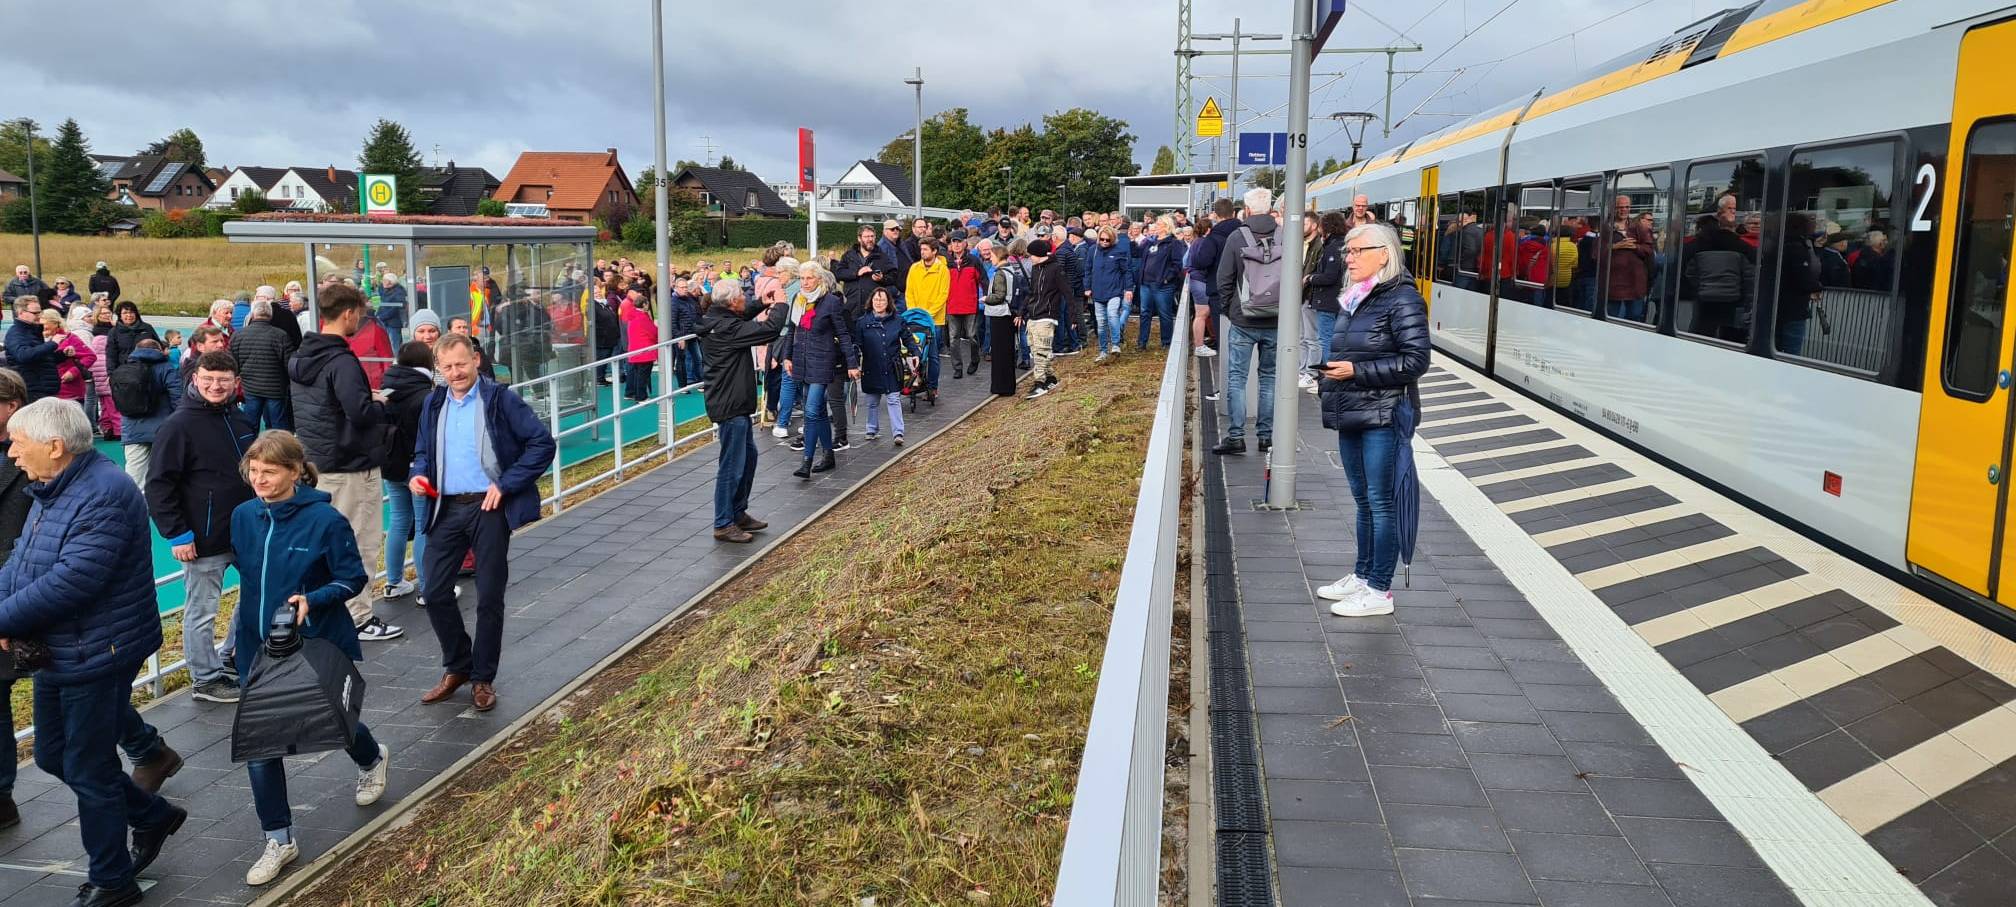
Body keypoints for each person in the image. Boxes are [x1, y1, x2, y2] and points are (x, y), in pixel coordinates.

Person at [0, 397, 187, 907]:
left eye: (18, 442)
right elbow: (24, 560)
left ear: (54, 446)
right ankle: (152, 816)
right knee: (54, 755)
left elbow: (73, 581)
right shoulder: (55, 486)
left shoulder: (103, 493)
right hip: (63, 649)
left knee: (87, 766)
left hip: (98, 650)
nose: (12, 453)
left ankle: (113, 880)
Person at [229, 430, 390, 887]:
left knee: (333, 725)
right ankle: (279, 838)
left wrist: (311, 600)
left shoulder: (325, 520)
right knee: (260, 745)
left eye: (270, 472)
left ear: (296, 471)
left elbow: (352, 578)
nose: (259, 479)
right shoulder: (243, 516)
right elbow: (249, 574)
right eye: (253, 471)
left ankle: (371, 758)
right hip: (256, 649)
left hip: (314, 643)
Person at [410, 332, 556, 713]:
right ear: (438, 369)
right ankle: (458, 665)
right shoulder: (433, 402)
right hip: (445, 508)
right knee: (435, 590)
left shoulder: (500, 399)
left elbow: (542, 444)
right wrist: (419, 472)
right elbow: (424, 450)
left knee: (489, 595)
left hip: (488, 509)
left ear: (475, 359)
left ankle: (482, 678)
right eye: (447, 368)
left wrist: (506, 485)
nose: (455, 373)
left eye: (461, 364)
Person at [1314, 224, 1430, 618]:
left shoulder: (1402, 299)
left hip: (1383, 413)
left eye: (1357, 251)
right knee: (1364, 500)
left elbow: (1416, 361)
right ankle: (1363, 576)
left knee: (1382, 503)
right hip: (1353, 409)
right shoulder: (1356, 297)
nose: (1349, 258)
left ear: (1384, 253)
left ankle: (1380, 589)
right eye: (1348, 252)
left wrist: (1356, 372)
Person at [288, 284, 403, 642]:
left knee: (325, 545)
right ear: (349, 313)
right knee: (360, 542)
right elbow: (360, 412)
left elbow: (327, 403)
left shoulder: (302, 356)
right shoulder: (341, 359)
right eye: (361, 313)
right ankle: (358, 617)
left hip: (318, 462)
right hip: (351, 464)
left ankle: (328, 612)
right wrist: (381, 404)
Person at [144, 349, 257, 704]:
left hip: (243, 531)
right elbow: (159, 485)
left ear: (235, 383)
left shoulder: (241, 421)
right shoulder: (178, 426)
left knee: (256, 593)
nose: (215, 386)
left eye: (222, 380)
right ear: (195, 380)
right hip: (202, 537)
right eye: (208, 379)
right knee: (202, 611)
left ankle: (231, 657)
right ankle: (205, 679)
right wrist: (176, 533)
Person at [695, 282, 778, 543]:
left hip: (734, 403)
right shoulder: (726, 329)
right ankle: (723, 521)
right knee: (732, 465)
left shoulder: (719, 319)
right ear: (731, 302)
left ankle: (737, 512)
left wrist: (762, 303)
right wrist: (782, 305)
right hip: (729, 406)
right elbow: (770, 329)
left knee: (748, 458)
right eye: (743, 296)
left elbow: (740, 316)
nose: (745, 298)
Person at [1213, 188, 1282, 455]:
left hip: (1243, 319)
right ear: (1270, 207)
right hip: (1276, 319)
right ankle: (1265, 437)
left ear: (1248, 208)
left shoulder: (1236, 236)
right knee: (1268, 379)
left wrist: (1231, 310)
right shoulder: (1284, 235)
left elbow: (1224, 279)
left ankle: (1236, 436)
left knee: (1237, 379)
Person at [784, 265, 858, 478]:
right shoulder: (798, 299)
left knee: (811, 410)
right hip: (802, 360)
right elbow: (792, 329)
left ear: (819, 280)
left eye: (809, 278)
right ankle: (828, 453)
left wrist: (852, 363)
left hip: (823, 361)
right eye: (802, 278)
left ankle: (806, 461)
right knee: (816, 412)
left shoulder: (831, 302)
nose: (805, 282)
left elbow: (843, 334)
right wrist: (787, 356)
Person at [381, 341, 436, 600]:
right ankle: (428, 588)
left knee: (399, 521)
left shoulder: (387, 388)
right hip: (419, 469)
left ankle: (393, 582)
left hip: (392, 464)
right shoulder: (425, 395)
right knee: (424, 525)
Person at [857, 288, 923, 445]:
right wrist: (854, 362)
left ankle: (898, 432)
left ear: (888, 303)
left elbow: (908, 339)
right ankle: (871, 428)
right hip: (871, 366)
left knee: (893, 398)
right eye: (876, 300)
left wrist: (915, 353)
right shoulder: (862, 322)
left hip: (892, 366)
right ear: (871, 302)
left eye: (882, 301)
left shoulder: (898, 320)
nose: (879, 303)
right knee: (872, 400)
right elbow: (857, 344)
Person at [232, 298, 295, 432]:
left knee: (250, 424)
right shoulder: (280, 335)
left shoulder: (238, 335)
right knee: (278, 424)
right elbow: (289, 363)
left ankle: (249, 450)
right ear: (270, 315)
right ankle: (281, 451)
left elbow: (233, 363)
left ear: (253, 315)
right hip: (276, 389)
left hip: (250, 387)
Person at [1302, 211, 1348, 392]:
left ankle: (1328, 379)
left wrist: (1310, 279)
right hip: (1338, 301)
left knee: (1325, 340)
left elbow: (1329, 276)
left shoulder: (1332, 248)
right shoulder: (1343, 245)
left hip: (1327, 302)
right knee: (1335, 341)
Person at [1191, 199, 1240, 359]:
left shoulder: (1213, 237)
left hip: (1218, 287)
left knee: (1222, 328)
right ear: (1233, 213)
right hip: (1241, 288)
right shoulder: (1244, 232)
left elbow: (1201, 261)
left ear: (1216, 215)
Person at [980, 239, 1026, 397]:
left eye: (992, 256)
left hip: (1000, 315)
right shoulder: (1011, 270)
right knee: (1008, 352)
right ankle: (1008, 385)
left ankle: (1000, 386)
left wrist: (986, 299)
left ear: (998, 256)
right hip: (1010, 314)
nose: (990, 258)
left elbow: (999, 295)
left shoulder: (1000, 273)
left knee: (999, 353)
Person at [1023, 238, 1067, 399]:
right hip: (1034, 314)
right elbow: (1032, 292)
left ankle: (1039, 383)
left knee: (1042, 350)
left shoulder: (1055, 269)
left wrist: (1073, 317)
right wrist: (1023, 311)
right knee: (1035, 349)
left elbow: (1067, 292)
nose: (1030, 258)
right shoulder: (1035, 269)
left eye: (1032, 255)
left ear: (1039, 254)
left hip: (1047, 315)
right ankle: (1050, 377)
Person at [1776, 212, 1824, 356]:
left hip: (1778, 306)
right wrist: (1816, 287)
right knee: (1792, 351)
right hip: (1794, 308)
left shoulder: (1779, 245)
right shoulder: (1798, 248)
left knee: (1777, 347)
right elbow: (1802, 277)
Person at [905, 238, 949, 395]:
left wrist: (928, 314)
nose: (922, 252)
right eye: (921, 249)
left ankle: (932, 387)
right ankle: (915, 381)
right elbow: (909, 292)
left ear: (934, 251)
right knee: (914, 351)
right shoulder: (914, 268)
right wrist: (913, 311)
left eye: (925, 249)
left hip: (934, 320)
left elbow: (943, 295)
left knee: (932, 355)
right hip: (915, 319)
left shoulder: (942, 270)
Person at [1085, 226, 1134, 362]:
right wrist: (1087, 287)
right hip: (1097, 292)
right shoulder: (1092, 251)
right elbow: (1088, 270)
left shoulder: (1120, 251)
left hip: (1114, 291)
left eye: (1108, 239)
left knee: (1112, 315)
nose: (1105, 241)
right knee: (1101, 323)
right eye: (1102, 239)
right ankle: (1103, 350)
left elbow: (1126, 271)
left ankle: (1116, 344)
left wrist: (1128, 289)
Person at [1136, 215, 1184, 351]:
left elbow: (1177, 265)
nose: (1155, 226)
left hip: (1162, 285)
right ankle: (1142, 341)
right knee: (1145, 312)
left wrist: (1166, 278)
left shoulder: (1173, 243)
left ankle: (1166, 342)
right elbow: (1137, 252)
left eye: (1158, 224)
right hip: (1146, 283)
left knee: (1164, 313)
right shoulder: (1150, 242)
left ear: (1166, 226)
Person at [943, 233, 985, 379]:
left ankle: (974, 360)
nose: (956, 245)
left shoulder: (974, 261)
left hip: (970, 305)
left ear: (965, 243)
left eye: (959, 242)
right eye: (954, 242)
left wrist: (986, 297)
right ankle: (957, 368)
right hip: (952, 305)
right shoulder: (946, 262)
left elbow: (984, 280)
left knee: (972, 336)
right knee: (953, 338)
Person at [7, 296, 62, 403]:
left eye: (40, 312)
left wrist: (63, 354)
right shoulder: (17, 333)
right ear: (21, 312)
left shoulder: (33, 331)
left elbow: (42, 359)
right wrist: (52, 344)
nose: (39, 316)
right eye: (35, 313)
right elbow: (23, 355)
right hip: (32, 390)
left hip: (43, 389)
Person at [42, 309, 95, 405]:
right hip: (48, 391)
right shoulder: (40, 340)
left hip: (69, 391)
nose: (41, 326)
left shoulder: (70, 338)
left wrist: (73, 372)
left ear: (55, 323)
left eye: (44, 324)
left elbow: (90, 356)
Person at [346, 300, 394, 391]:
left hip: (373, 386)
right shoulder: (341, 332)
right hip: (349, 384)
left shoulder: (376, 331)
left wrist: (386, 385)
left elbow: (387, 359)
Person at [621, 290, 660, 402]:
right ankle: (641, 396)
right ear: (644, 304)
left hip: (635, 350)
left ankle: (632, 393)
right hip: (645, 351)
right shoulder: (642, 317)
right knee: (643, 375)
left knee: (637, 374)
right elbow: (653, 332)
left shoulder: (633, 316)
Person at [105, 301, 160, 374]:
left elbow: (159, 346)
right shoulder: (114, 332)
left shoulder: (147, 328)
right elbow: (111, 355)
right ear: (120, 316)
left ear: (136, 314)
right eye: (125, 313)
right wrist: (111, 373)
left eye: (131, 312)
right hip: (124, 371)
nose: (129, 315)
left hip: (148, 369)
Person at [377, 273, 408, 346]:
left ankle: (397, 357)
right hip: (385, 320)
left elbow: (395, 309)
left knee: (395, 344)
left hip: (394, 322)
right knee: (388, 343)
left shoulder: (399, 292)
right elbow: (380, 288)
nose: (383, 282)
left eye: (385, 280)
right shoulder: (386, 290)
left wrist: (381, 316)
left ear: (391, 282)